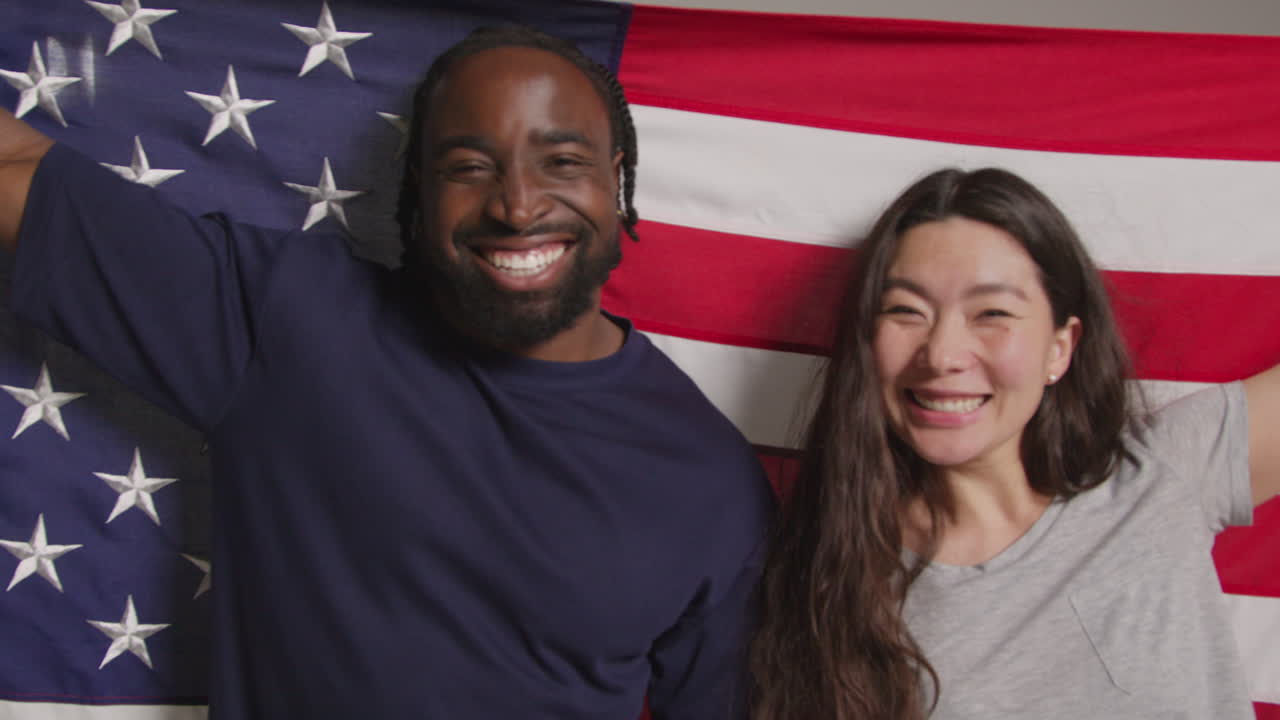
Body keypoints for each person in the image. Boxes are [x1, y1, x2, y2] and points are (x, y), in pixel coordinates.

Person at [0, 26, 772, 719]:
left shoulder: (710, 479)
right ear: (419, 193)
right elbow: (17, 166)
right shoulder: (290, 322)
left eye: (562, 162)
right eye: (469, 166)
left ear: (616, 177)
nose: (517, 204)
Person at [748, 168, 1280, 719]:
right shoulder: (835, 588)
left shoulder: (1164, 470)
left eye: (992, 314)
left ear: (1060, 348)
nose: (942, 353)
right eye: (906, 310)